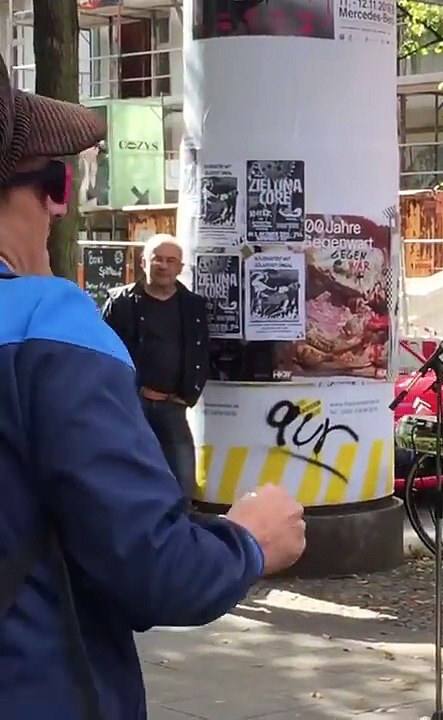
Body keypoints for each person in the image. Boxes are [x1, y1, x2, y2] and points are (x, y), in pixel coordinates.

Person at [0, 58, 306, 718]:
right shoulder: (45, 322)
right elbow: (155, 571)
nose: (62, 208)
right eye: (60, 183)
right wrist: (249, 539)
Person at [102, 234, 210, 507]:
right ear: (143, 262)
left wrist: (189, 394)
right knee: (126, 477)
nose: (163, 265)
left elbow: (202, 351)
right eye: (157, 259)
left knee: (183, 481)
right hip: (131, 405)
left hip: (173, 405)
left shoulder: (193, 306)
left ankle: (181, 539)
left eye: (170, 260)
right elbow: (102, 353)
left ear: (180, 267)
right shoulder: (121, 302)